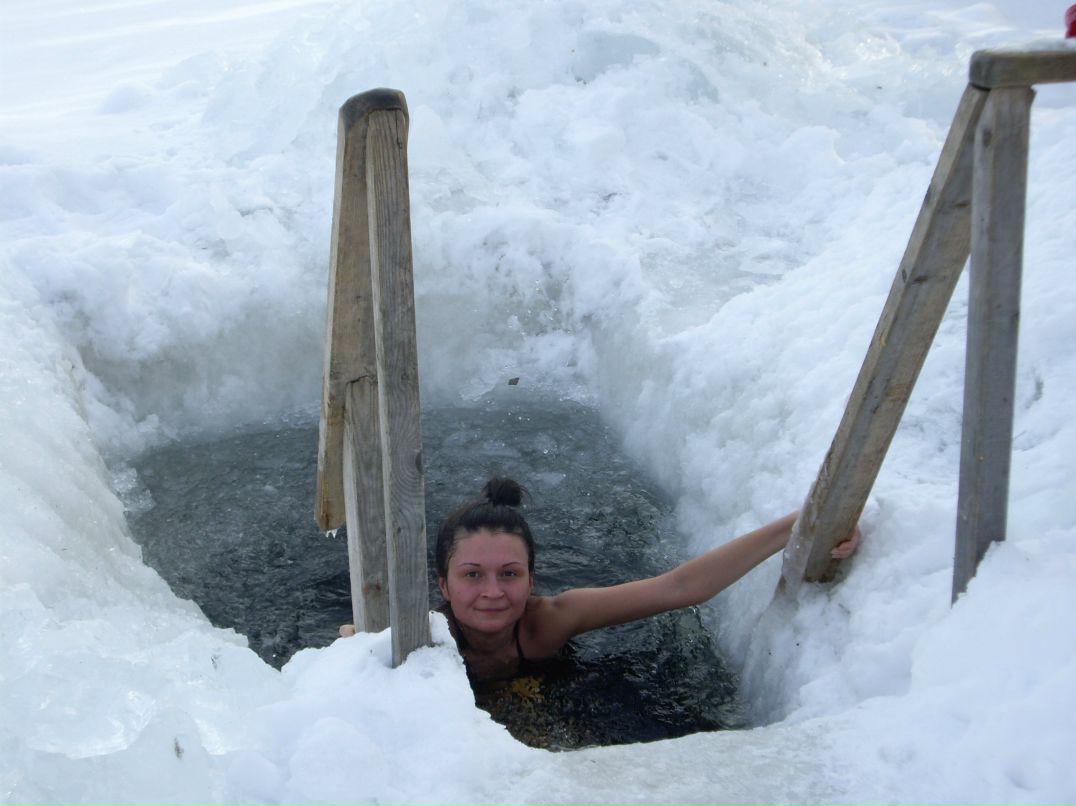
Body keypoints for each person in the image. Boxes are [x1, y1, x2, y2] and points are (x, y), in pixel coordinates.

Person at [341, 477, 861, 682]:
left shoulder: (549, 623)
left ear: (532, 580)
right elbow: (349, 651)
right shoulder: (420, 633)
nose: (494, 592)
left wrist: (801, 524)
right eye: (472, 575)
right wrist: (353, 645)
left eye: (510, 574)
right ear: (443, 585)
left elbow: (680, 588)